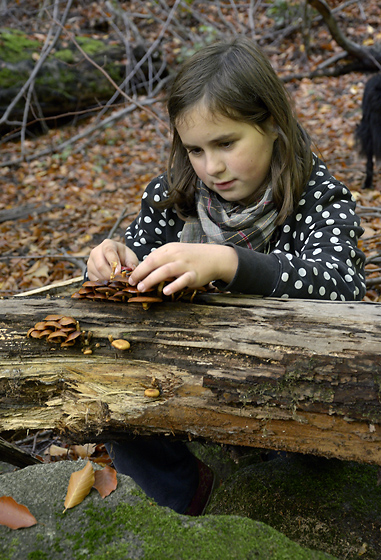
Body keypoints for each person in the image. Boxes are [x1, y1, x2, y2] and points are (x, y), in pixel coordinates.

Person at [86, 37, 366, 515]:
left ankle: (284, 490)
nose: (211, 167)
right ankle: (184, 489)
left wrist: (227, 261)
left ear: (273, 123)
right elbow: (134, 262)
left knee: (314, 458)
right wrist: (113, 259)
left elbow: (342, 285)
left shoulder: (316, 196)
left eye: (226, 143)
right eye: (195, 149)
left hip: (286, 380)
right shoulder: (176, 193)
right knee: (103, 383)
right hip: (187, 376)